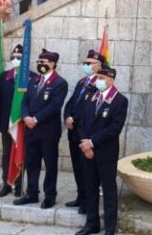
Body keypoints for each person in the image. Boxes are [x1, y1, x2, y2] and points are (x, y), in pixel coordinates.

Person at [75, 65, 128, 235]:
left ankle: (110, 229)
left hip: (105, 152)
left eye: (102, 78)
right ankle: (92, 224)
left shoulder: (119, 100)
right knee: (90, 188)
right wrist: (85, 143)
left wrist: (91, 142)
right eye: (97, 78)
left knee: (109, 190)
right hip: (87, 151)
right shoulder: (91, 96)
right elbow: (82, 122)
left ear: (111, 80)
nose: (98, 81)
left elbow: (114, 129)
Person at [14, 49, 68, 209]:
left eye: (43, 63)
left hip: (48, 131)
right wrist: (25, 117)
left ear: (52, 64)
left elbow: (55, 106)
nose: (40, 65)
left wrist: (36, 119)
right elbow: (24, 101)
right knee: (32, 163)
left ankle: (50, 195)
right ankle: (32, 193)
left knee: (50, 164)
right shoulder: (34, 80)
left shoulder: (60, 83)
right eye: (38, 62)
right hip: (31, 129)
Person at [63, 50, 104, 215]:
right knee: (78, 168)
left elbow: (91, 109)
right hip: (73, 133)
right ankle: (81, 196)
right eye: (85, 63)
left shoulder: (100, 83)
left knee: (88, 171)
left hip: (86, 134)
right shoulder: (82, 82)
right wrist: (67, 117)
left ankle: (88, 202)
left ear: (99, 65)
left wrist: (76, 119)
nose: (86, 66)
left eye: (90, 63)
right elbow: (71, 103)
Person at [0, 45, 34, 198]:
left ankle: (19, 185)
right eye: (13, 57)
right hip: (6, 123)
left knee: (22, 154)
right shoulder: (5, 76)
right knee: (6, 153)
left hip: (22, 123)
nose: (15, 60)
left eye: (19, 57)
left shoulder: (31, 77)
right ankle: (6, 184)